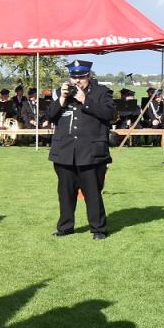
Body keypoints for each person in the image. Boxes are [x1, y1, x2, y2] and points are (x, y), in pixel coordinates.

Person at [44, 59, 115, 239]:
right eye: (74, 77)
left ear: (89, 76)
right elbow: (50, 116)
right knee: (65, 193)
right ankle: (65, 227)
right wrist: (60, 99)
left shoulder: (102, 92)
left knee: (92, 193)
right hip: (65, 151)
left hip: (91, 151)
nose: (77, 81)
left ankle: (98, 229)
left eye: (81, 77)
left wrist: (86, 100)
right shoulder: (61, 92)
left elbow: (111, 115)